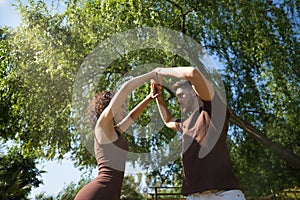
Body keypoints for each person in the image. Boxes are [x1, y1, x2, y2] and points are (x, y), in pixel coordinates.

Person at [153, 66, 246, 200]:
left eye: (181, 95)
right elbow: (168, 121)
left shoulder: (214, 108)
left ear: (194, 92)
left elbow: (193, 73)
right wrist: (158, 97)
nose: (178, 101)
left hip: (224, 194)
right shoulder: (186, 123)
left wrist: (161, 71)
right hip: (194, 196)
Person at [74, 71, 160, 200]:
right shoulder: (102, 125)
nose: (124, 109)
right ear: (110, 107)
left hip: (110, 193)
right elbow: (125, 88)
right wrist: (152, 74)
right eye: (122, 106)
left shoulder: (114, 132)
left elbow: (132, 116)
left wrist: (149, 97)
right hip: (98, 194)